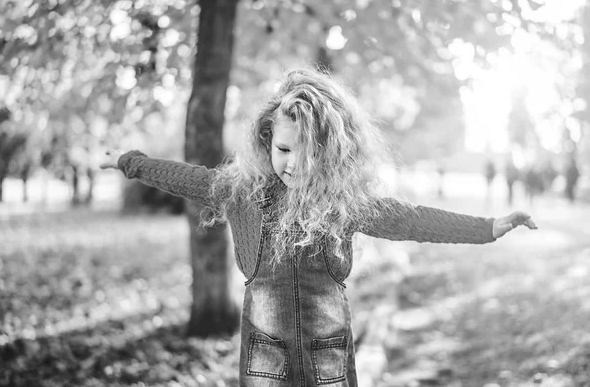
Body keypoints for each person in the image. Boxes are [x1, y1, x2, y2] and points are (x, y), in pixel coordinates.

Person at [100, 68, 537, 387]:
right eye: (284, 149)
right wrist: (129, 161)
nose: (293, 164)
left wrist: (487, 227)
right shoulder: (241, 191)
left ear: (329, 153)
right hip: (265, 349)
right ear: (266, 141)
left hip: (326, 346)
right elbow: (183, 176)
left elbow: (411, 219)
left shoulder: (343, 203)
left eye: (307, 153)